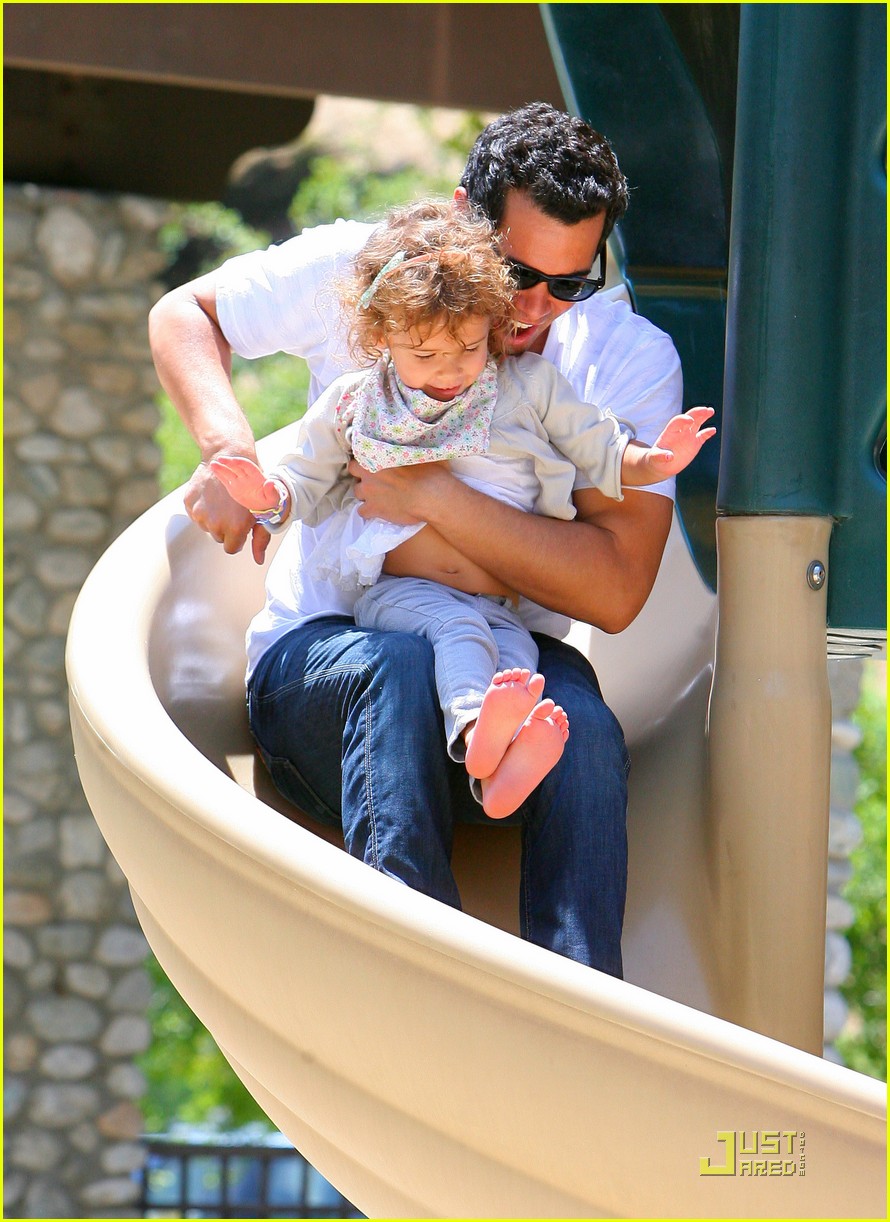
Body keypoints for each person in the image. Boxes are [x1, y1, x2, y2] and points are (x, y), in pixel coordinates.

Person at [148, 102, 686, 978]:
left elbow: (616, 589)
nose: (536, 309)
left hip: (495, 668)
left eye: (570, 284)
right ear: (459, 222)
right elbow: (186, 314)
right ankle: (421, 972)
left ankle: (589, 1003)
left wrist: (426, 491)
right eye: (517, 274)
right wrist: (229, 453)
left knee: (581, 718)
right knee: (393, 669)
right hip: (334, 657)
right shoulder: (378, 276)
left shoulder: (617, 359)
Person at [208, 200, 714, 820]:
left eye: (467, 351)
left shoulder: (523, 387)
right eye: (426, 357)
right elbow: (304, 477)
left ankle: (495, 778)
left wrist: (656, 461)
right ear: (382, 341)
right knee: (449, 641)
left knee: (521, 668)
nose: (448, 372)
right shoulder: (361, 401)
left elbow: (602, 446)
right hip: (399, 603)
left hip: (499, 607)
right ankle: (477, 741)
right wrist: (262, 494)